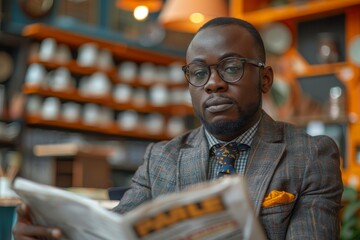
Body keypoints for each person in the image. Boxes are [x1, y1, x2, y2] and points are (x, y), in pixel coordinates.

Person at [13, 17, 343, 240]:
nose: (213, 83)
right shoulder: (161, 158)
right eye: (199, 72)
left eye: (230, 68)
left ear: (265, 79)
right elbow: (117, 231)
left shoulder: (311, 155)